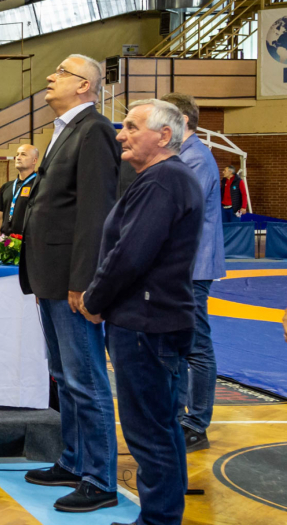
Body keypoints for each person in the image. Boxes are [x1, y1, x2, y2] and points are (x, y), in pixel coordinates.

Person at [80, 99, 201, 525]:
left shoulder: (164, 180)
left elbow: (130, 254)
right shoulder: (163, 179)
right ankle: (162, 517)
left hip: (146, 325)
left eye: (131, 127)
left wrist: (94, 300)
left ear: (164, 135)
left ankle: (159, 520)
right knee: (160, 429)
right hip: (152, 321)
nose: (120, 134)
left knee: (150, 433)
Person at [18, 55, 120, 513]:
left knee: (86, 379)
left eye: (59, 72)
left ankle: (100, 478)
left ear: (83, 85)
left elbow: (95, 212)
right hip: (51, 276)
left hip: (71, 280)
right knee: (63, 376)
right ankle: (75, 460)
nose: (49, 76)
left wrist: (85, 280)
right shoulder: (64, 132)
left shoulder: (94, 130)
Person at [161, 93, 227, 454]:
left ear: (182, 120)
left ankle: (197, 422)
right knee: (182, 342)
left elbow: (180, 209)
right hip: (185, 264)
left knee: (197, 344)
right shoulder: (184, 156)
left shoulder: (197, 158)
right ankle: (183, 415)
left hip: (195, 265)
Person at [0, 144, 39, 239]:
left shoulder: (39, 185)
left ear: (34, 160)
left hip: (27, 244)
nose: (18, 157)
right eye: (17, 154)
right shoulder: (7, 186)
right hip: (5, 243)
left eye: (23, 154)